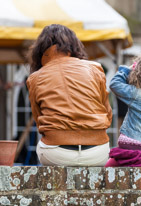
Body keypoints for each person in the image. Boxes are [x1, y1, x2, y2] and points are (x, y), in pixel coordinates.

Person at [26, 24, 112, 166]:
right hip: (97, 152)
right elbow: (107, 113)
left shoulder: (35, 78)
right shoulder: (95, 68)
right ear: (73, 46)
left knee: (41, 148)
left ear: (40, 50)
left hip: (57, 153)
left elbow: (39, 119)